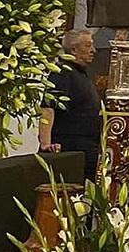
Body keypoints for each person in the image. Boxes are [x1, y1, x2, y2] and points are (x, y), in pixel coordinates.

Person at [40, 29, 102, 179]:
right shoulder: (63, 72)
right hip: (70, 151)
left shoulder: (80, 73)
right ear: (74, 49)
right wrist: (46, 145)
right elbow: (48, 108)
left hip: (86, 151)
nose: (93, 50)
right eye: (88, 46)